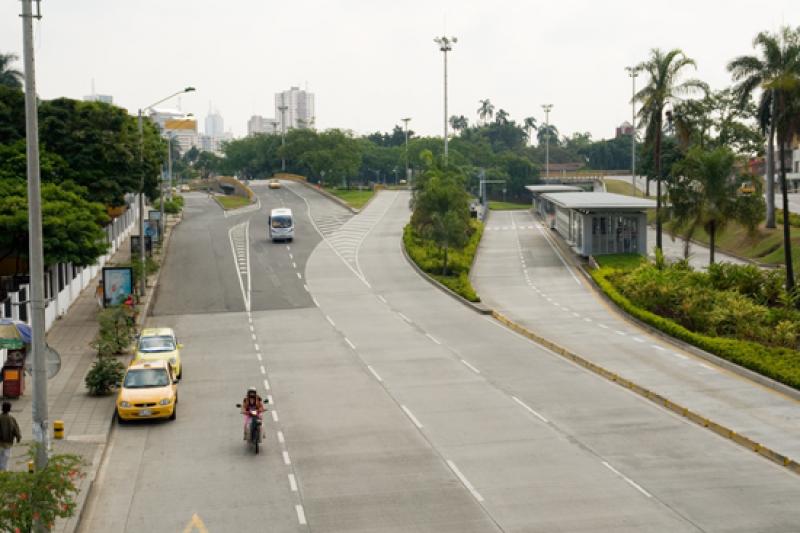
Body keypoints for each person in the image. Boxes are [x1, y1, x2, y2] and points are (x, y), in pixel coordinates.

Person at [0, 401, 22, 471]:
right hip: (7, 443)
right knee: (5, 460)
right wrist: (18, 437)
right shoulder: (11, 419)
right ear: (9, 409)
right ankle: (4, 474)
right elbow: (16, 429)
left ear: (2, 408)